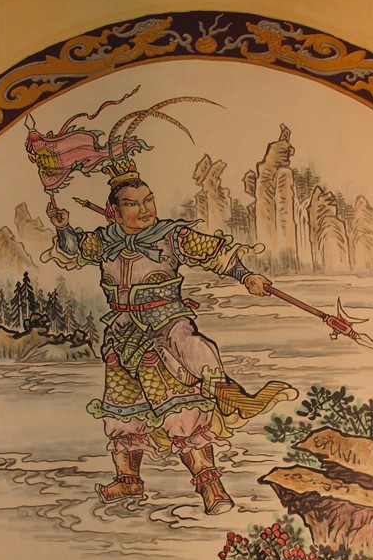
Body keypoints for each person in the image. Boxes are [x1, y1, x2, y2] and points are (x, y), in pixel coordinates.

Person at [43, 157, 296, 515]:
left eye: (149, 200)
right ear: (114, 211)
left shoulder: (171, 236)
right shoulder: (105, 241)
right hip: (122, 335)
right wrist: (63, 226)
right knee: (122, 409)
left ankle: (211, 485)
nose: (146, 209)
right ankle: (128, 479)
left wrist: (245, 275)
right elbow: (74, 248)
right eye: (133, 204)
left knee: (181, 406)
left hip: (165, 330)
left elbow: (214, 253)